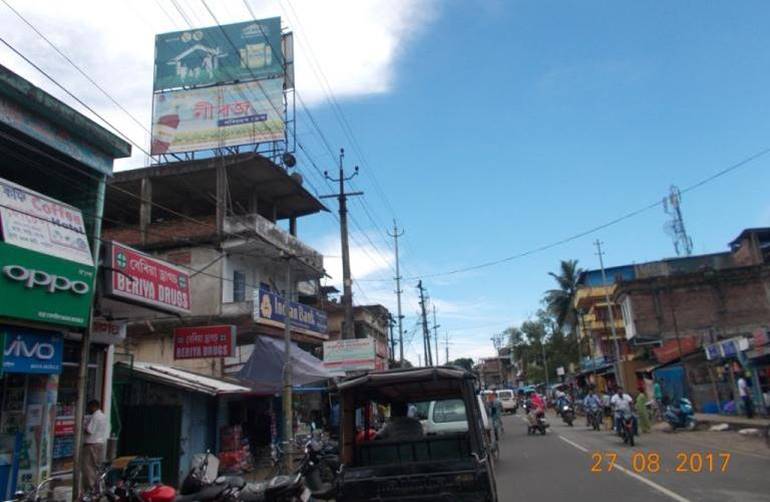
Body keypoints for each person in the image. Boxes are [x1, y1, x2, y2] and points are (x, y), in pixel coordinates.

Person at [82, 399, 108, 492]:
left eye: (89, 407)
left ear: (93, 407)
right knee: (96, 467)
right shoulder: (103, 416)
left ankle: (90, 489)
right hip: (99, 443)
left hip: (91, 444)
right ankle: (97, 488)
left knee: (88, 467)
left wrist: (82, 425)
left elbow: (89, 431)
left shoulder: (95, 416)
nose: (88, 409)